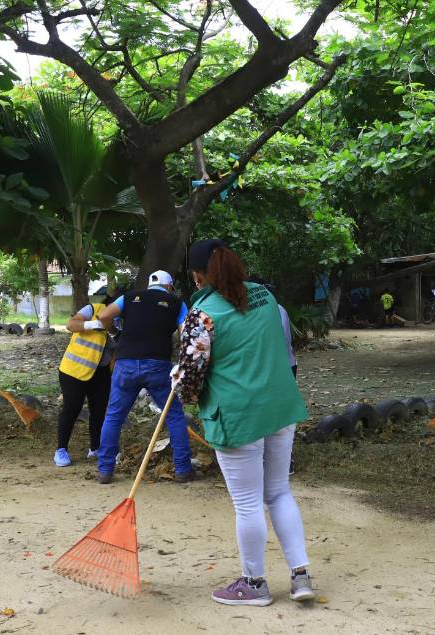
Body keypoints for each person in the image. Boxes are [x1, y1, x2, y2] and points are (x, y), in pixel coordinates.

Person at [173, 239, 314, 606]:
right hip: (279, 407)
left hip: (238, 415)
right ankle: (301, 577)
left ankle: (254, 585)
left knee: (248, 503)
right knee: (279, 491)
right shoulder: (266, 299)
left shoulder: (201, 317)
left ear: (199, 275)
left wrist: (179, 382)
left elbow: (190, 382)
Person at [87, 270, 193, 484]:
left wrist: (115, 333)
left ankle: (105, 470)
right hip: (158, 365)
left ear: (149, 284)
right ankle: (183, 469)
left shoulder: (128, 298)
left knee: (114, 416)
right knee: (173, 416)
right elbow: (186, 333)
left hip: (125, 363)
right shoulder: (176, 302)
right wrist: (183, 361)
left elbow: (105, 316)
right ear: (169, 286)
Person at [53, 287, 117, 467]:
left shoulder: (121, 323)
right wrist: (94, 324)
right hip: (73, 370)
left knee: (99, 411)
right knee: (72, 407)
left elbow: (116, 353)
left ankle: (95, 448)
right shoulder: (93, 309)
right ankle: (61, 450)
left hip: (101, 373)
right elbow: (71, 325)